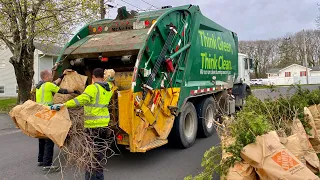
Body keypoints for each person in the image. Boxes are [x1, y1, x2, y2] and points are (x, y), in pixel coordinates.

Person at [51, 68, 113, 180]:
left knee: (91, 157)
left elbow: (80, 100)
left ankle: (94, 178)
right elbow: (111, 80)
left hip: (93, 127)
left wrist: (63, 105)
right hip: (104, 126)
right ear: (103, 77)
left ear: (93, 77)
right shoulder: (109, 88)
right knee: (98, 156)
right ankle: (95, 177)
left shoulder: (92, 88)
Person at [36, 69, 80, 171]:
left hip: (40, 114)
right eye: (51, 76)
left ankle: (41, 159)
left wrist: (62, 75)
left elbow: (55, 83)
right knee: (49, 140)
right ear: (46, 77)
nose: (52, 77)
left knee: (42, 137)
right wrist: (74, 91)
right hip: (48, 114)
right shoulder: (48, 85)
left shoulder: (39, 86)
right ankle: (47, 164)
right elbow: (62, 91)